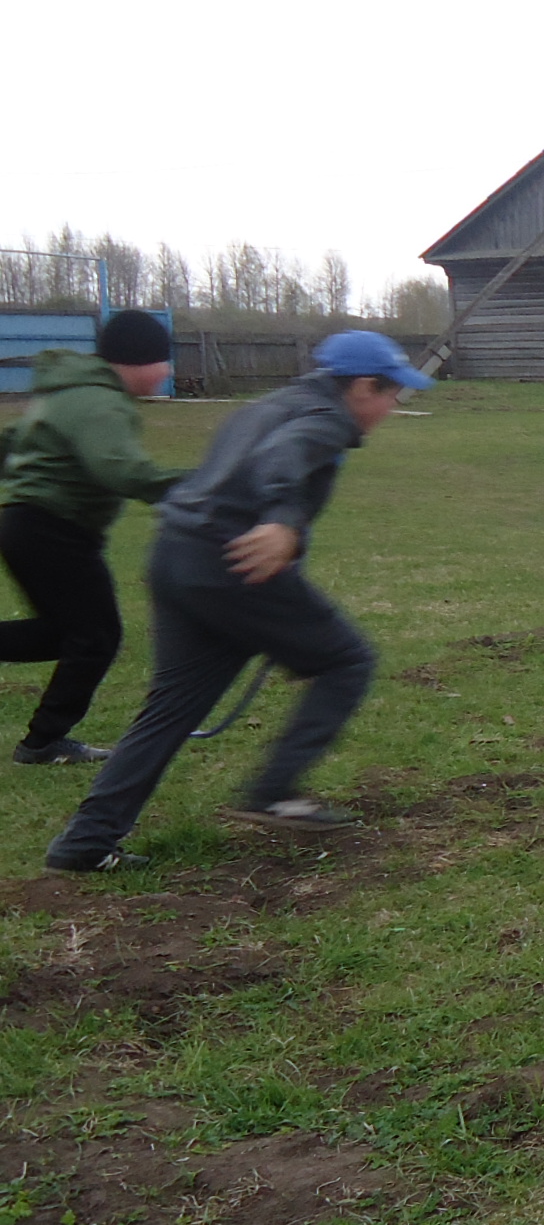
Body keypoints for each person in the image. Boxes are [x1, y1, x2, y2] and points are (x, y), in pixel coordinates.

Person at [45, 333, 430, 873]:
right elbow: (281, 458)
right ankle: (274, 792)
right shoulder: (327, 417)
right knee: (347, 660)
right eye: (392, 394)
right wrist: (283, 519)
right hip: (237, 561)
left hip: (177, 554)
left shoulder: (269, 405)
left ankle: (85, 842)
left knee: (171, 708)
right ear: (365, 386)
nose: (392, 407)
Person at [0, 310, 188, 765]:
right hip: (55, 530)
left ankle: (43, 740)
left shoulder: (67, 392)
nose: (166, 371)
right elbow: (120, 470)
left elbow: (11, 445)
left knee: (66, 634)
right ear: (136, 360)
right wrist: (200, 486)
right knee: (96, 637)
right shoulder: (100, 403)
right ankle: (42, 743)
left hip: (26, 526)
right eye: (161, 360)